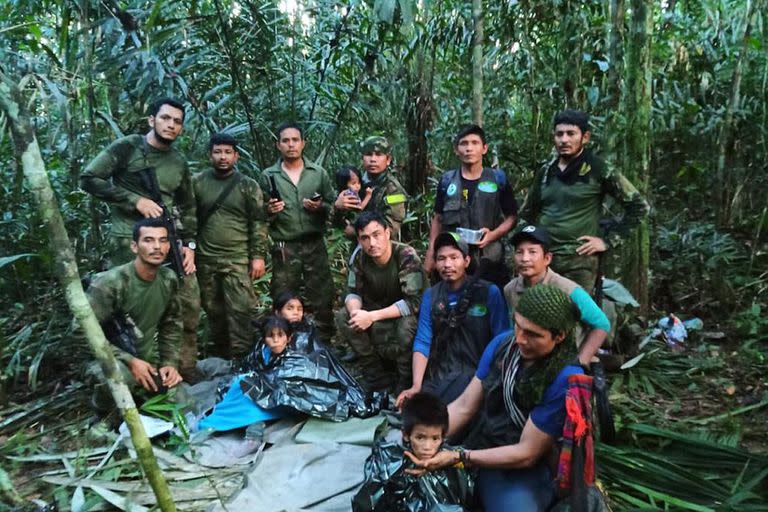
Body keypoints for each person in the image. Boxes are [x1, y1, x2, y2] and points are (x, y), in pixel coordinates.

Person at [405, 284, 585, 511]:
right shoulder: (502, 345)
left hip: (524, 465)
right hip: (485, 441)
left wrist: (458, 457)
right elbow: (464, 407)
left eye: (532, 334)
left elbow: (527, 453)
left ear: (559, 336)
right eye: (518, 326)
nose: (519, 339)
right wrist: (422, 436)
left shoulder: (565, 379)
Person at [81, 97, 201, 381]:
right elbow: (89, 178)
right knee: (127, 309)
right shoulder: (128, 148)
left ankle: (180, 369)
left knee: (185, 303)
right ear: (152, 120)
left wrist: (190, 246)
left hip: (169, 241)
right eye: (165, 118)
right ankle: (126, 370)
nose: (171, 125)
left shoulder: (178, 162)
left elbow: (189, 207)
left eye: (177, 122)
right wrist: (134, 200)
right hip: (128, 242)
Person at [518, 109, 650, 292]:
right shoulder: (546, 172)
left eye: (571, 134)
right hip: (545, 260)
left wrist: (607, 241)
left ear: (585, 137)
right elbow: (526, 214)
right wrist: (526, 249)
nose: (564, 140)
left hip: (580, 261)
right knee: (539, 314)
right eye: (559, 134)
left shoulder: (599, 168)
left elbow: (639, 207)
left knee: (575, 315)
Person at [397, 232, 509, 407]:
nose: (447, 264)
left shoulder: (489, 292)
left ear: (466, 261)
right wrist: (416, 385)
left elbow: (502, 339)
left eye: (454, 257)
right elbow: (423, 340)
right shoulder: (431, 295)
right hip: (441, 375)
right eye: (441, 258)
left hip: (477, 376)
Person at [86, 218, 183, 412]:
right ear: (134, 246)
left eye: (163, 240)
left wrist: (169, 363)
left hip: (145, 359)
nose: (157, 247)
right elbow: (82, 333)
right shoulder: (110, 284)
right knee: (120, 379)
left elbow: (171, 324)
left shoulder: (168, 279)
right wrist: (130, 361)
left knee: (182, 400)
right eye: (148, 240)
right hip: (106, 358)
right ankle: (103, 415)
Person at [193, 132, 268, 360]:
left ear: (236, 156)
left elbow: (258, 222)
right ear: (210, 155)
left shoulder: (247, 185)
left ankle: (242, 358)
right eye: (217, 152)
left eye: (227, 152)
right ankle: (221, 356)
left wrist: (258, 256)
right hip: (206, 258)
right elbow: (187, 218)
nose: (222, 157)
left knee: (241, 311)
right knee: (214, 311)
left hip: (237, 258)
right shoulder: (197, 182)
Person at [258, 122, 336, 341]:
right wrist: (270, 210)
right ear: (278, 145)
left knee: (321, 293)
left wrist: (319, 207)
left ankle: (323, 343)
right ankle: (283, 341)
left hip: (314, 243)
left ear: (303, 143)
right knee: (283, 294)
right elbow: (259, 213)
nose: (291, 145)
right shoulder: (268, 176)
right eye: (285, 141)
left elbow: (334, 206)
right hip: (285, 245)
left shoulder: (317, 173)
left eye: (295, 140)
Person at [336, 211, 426, 392]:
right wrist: (355, 313)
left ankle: (405, 380)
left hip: (403, 314)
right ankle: (376, 375)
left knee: (407, 325)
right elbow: (353, 292)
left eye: (376, 235)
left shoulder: (405, 255)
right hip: (375, 311)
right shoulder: (360, 258)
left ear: (387, 233)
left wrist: (371, 316)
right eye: (365, 238)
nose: (372, 243)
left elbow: (414, 302)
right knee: (343, 316)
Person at [425, 125, 518, 288]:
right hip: (453, 261)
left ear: (484, 148)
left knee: (489, 304)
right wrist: (432, 252)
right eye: (464, 143)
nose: (469, 148)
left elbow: (512, 217)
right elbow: (438, 218)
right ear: (456, 149)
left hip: (489, 260)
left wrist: (492, 235)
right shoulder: (447, 181)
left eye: (475, 143)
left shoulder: (497, 179)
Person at [505, 225, 610, 366]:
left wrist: (581, 361)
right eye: (519, 252)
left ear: (547, 258)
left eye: (532, 252)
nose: (525, 258)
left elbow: (601, 324)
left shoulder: (568, 289)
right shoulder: (510, 289)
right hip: (526, 357)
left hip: (561, 361)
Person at [352, 392, 475, 511]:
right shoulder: (390, 463)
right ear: (406, 435)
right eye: (420, 438)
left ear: (443, 437)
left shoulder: (451, 458)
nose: (427, 447)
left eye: (435, 438)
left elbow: (470, 467)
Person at [334, 136, 408, 241]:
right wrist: (338, 208)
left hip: (382, 250)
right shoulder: (354, 182)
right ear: (362, 158)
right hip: (358, 250)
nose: (373, 159)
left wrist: (356, 231)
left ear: (388, 160)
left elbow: (390, 228)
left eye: (378, 155)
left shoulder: (394, 190)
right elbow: (335, 224)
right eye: (368, 154)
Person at [334, 165, 373, 239]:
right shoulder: (350, 195)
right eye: (353, 183)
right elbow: (360, 207)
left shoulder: (343, 194)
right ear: (344, 184)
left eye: (358, 183)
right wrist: (368, 196)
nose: (357, 186)